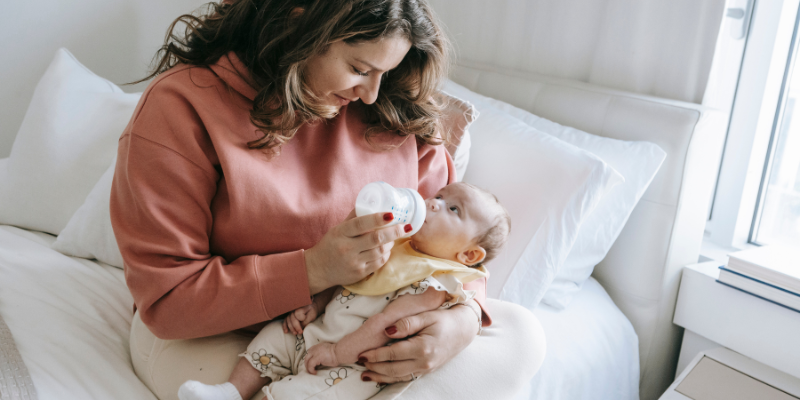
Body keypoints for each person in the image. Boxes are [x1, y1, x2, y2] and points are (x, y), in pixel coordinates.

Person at [110, 1, 546, 399]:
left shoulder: (392, 106)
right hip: (217, 333)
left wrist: (462, 318)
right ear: (300, 21)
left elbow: (454, 249)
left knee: (520, 334)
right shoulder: (181, 107)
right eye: (359, 68)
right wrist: (313, 269)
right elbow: (169, 301)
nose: (372, 93)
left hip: (354, 325)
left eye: (385, 73)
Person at [177, 182, 509, 400]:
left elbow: (383, 325)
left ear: (468, 256)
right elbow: (346, 276)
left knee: (301, 396)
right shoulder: (394, 241)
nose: (433, 204)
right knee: (272, 340)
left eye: (453, 210)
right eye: (439, 196)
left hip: (350, 363)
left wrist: (337, 354)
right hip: (316, 330)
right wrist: (315, 304)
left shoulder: (435, 283)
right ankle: (230, 392)